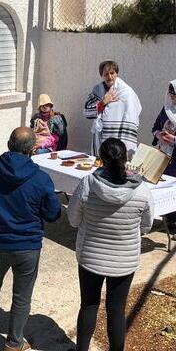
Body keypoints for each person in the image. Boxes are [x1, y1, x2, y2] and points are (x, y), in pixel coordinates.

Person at [0, 127, 61, 351]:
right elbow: (53, 214)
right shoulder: (41, 179)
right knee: (21, 296)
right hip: (28, 246)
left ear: (8, 143)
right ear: (33, 148)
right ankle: (14, 342)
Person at [67, 138, 154, 351]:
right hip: (124, 261)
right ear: (126, 159)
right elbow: (147, 225)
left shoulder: (88, 184)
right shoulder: (142, 190)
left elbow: (73, 219)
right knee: (116, 310)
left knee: (88, 305)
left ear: (101, 160)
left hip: (90, 257)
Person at [83, 61, 142, 158]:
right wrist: (103, 102)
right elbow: (87, 112)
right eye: (106, 74)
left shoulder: (127, 92)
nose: (109, 77)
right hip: (100, 137)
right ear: (101, 75)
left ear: (117, 73)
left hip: (120, 136)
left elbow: (134, 111)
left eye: (112, 73)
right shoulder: (97, 90)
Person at [152, 79, 176, 230]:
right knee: (165, 186)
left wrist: (173, 139)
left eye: (175, 94)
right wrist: (159, 135)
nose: (173, 97)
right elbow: (155, 126)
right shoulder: (166, 109)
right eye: (171, 94)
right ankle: (168, 219)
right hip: (164, 155)